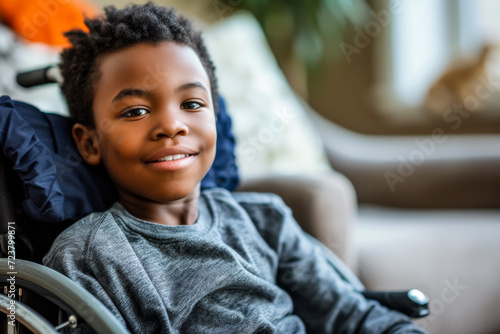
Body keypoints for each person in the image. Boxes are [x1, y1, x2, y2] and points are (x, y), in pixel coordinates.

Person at [43, 3, 426, 333]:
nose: (172, 125)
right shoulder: (90, 256)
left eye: (192, 104)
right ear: (89, 142)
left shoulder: (264, 221)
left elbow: (350, 315)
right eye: (136, 111)